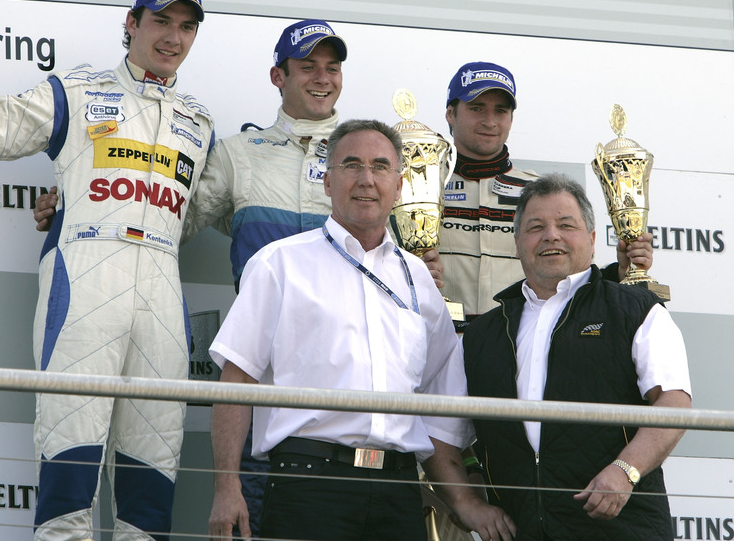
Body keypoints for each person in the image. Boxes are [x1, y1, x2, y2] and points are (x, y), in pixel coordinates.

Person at [34, 18, 352, 536]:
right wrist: (78, 205)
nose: (322, 78)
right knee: (259, 515)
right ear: (279, 76)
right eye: (307, 66)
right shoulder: (237, 153)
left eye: (332, 67)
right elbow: (168, 219)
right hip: (264, 371)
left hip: (345, 366)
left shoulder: (364, 158)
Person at [0, 0, 214, 541]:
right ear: (131, 23)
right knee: (69, 476)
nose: (173, 37)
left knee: (151, 492)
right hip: (85, 283)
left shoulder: (200, 123)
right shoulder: (77, 91)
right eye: (161, 21)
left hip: (163, 295)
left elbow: (188, 218)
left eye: (186, 27)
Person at [207, 119, 515, 541]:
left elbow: (440, 409)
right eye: (352, 165)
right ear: (327, 181)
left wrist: (463, 501)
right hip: (308, 486)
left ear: (400, 186)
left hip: (398, 492)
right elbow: (236, 383)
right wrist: (226, 488)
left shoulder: (419, 280)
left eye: (381, 166)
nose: (367, 179)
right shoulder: (279, 264)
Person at [462, 173, 691, 541]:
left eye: (566, 225)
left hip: (621, 530)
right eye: (536, 227)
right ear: (517, 243)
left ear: (592, 239)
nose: (551, 235)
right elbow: (445, 433)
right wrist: (466, 503)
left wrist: (625, 471)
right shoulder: (482, 333)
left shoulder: (637, 310)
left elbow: (674, 404)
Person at [435, 61, 654, 322]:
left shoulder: (540, 193)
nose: (490, 121)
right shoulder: (418, 190)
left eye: (501, 111)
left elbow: (574, 274)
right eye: (477, 108)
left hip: (522, 339)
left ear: (511, 119)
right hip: (439, 338)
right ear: (451, 114)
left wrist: (620, 272)